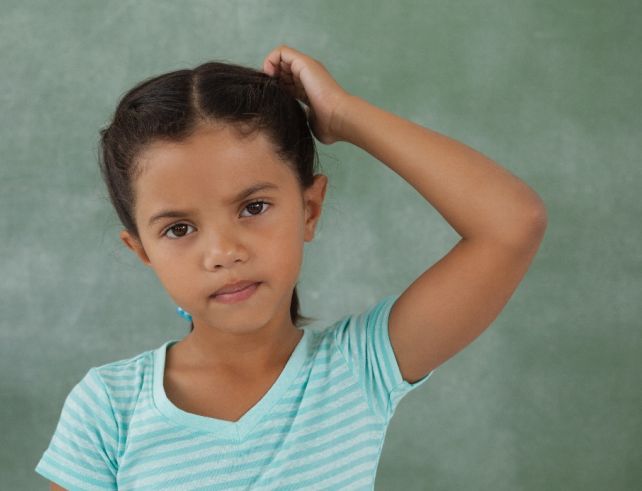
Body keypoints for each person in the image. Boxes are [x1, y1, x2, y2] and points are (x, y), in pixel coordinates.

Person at [35, 45, 547, 490]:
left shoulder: (358, 369)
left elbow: (512, 225)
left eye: (253, 208)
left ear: (309, 209)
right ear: (141, 249)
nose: (224, 252)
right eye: (179, 229)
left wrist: (343, 115)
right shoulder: (108, 408)